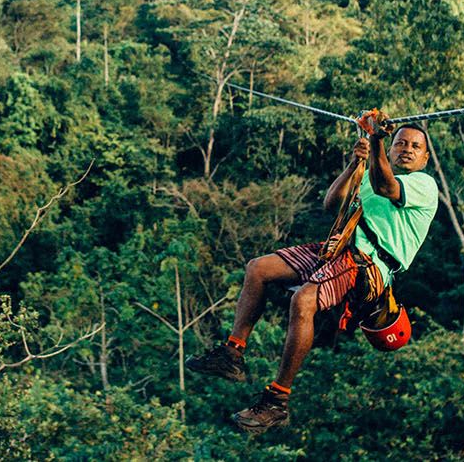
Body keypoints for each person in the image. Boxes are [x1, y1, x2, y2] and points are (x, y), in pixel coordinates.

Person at [185, 111, 438, 433]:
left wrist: (376, 139)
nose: (406, 148)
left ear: (425, 157)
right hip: (338, 249)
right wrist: (354, 164)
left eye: (415, 146)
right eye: (400, 143)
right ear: (390, 150)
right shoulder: (373, 175)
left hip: (368, 266)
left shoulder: (423, 185)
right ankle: (231, 353)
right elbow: (332, 204)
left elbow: (388, 186)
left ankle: (277, 401)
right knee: (258, 269)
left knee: (303, 301)